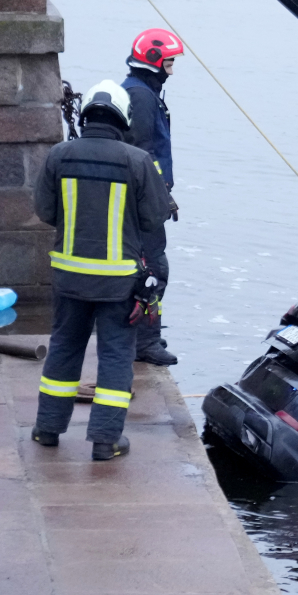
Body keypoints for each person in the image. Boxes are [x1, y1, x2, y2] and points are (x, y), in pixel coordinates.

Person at [32, 80, 171, 460]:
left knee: (63, 348)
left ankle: (47, 430)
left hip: (69, 278)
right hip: (118, 284)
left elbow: (45, 211)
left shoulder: (59, 155)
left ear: (87, 113)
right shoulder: (138, 161)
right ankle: (106, 441)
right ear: (122, 119)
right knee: (114, 356)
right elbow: (154, 218)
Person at [122, 28, 184, 366]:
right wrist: (161, 198)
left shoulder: (141, 91)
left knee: (148, 267)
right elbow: (144, 155)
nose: (171, 71)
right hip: (143, 203)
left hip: (144, 199)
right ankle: (144, 343)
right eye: (169, 63)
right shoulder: (142, 97)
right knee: (153, 269)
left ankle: (147, 335)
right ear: (154, 62)